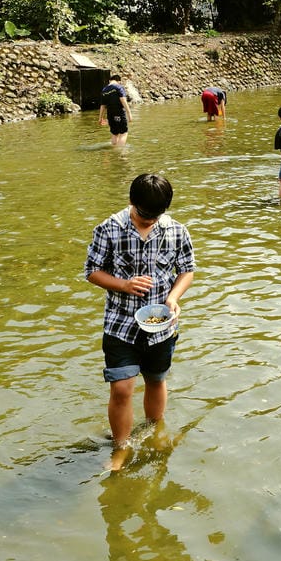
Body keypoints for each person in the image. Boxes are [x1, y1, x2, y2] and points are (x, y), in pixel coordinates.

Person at [84, 173, 195, 452]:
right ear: (131, 202)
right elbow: (92, 272)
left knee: (156, 380)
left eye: (156, 215)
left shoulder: (176, 230)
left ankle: (154, 433)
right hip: (120, 322)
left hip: (161, 324)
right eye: (145, 214)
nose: (150, 220)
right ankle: (121, 448)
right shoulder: (108, 229)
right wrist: (123, 284)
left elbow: (186, 271)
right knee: (121, 388)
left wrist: (173, 298)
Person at [99, 73, 132, 146]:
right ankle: (120, 151)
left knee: (115, 133)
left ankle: (114, 150)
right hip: (119, 113)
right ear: (118, 81)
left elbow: (103, 105)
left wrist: (100, 118)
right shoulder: (118, 87)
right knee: (123, 133)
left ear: (109, 81)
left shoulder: (104, 90)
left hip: (110, 115)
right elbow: (123, 100)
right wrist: (129, 114)